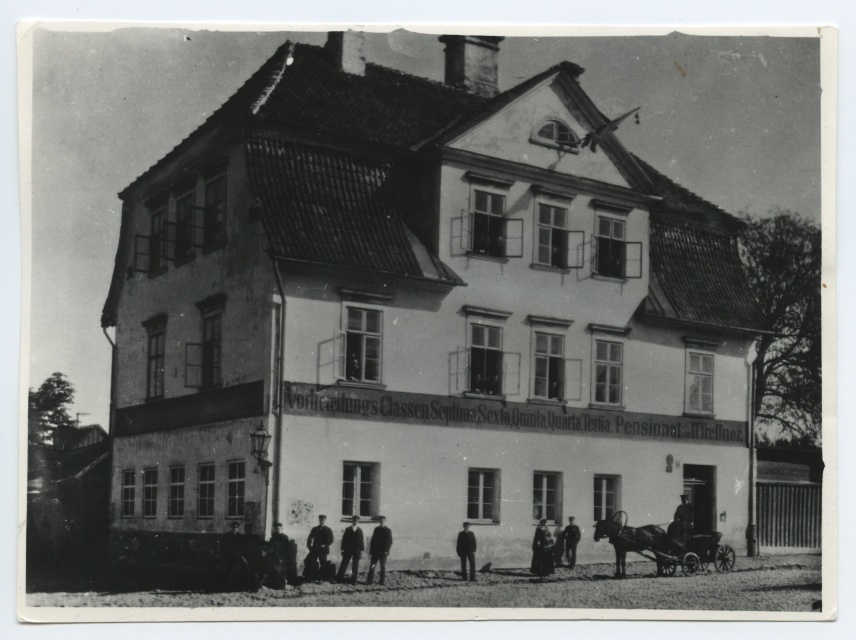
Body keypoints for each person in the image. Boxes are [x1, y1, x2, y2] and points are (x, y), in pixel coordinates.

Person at [337, 515, 365, 584]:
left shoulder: (360, 530)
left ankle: (353, 580)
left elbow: (361, 541)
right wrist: (342, 549)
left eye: (356, 520)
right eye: (354, 520)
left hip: (356, 550)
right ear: (352, 521)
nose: (355, 521)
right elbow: (344, 540)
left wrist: (361, 551)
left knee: (355, 565)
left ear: (358, 521)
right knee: (344, 564)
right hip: (348, 550)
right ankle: (339, 578)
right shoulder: (348, 529)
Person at [305, 514, 334, 581]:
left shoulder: (328, 529)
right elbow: (310, 538)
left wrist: (325, 545)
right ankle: (312, 577)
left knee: (323, 563)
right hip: (315, 549)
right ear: (319, 520)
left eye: (323, 520)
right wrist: (309, 546)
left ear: (325, 521)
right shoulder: (315, 529)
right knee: (312, 562)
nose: (321, 521)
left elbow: (331, 540)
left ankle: (321, 578)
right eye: (320, 520)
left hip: (323, 550)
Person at [366, 515, 393, 585]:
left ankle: (382, 581)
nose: (381, 522)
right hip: (375, 551)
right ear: (379, 521)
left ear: (385, 521)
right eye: (380, 520)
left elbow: (390, 541)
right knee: (372, 566)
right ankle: (369, 580)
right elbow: (373, 540)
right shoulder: (376, 529)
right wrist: (371, 551)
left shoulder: (387, 530)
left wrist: (386, 551)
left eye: (383, 520)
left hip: (383, 552)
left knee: (383, 566)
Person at [221, 521, 247, 590]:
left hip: (238, 555)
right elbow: (222, 545)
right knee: (228, 570)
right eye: (233, 527)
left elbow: (243, 547)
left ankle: (245, 585)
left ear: (238, 528)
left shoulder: (241, 536)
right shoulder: (227, 535)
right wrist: (225, 553)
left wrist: (240, 554)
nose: (234, 529)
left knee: (246, 566)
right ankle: (226, 587)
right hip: (229, 556)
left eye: (236, 527)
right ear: (231, 528)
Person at [266, 522, 289, 588]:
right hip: (273, 557)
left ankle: (282, 584)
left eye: (278, 528)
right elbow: (270, 546)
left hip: (281, 557)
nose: (277, 529)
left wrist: (282, 558)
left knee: (281, 571)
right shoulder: (274, 537)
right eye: (276, 528)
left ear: (281, 528)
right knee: (273, 570)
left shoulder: (284, 537)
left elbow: (286, 549)